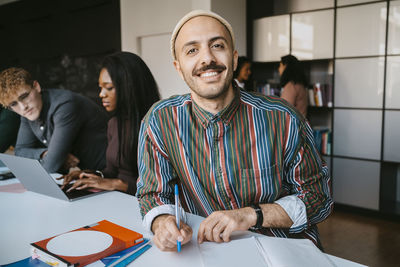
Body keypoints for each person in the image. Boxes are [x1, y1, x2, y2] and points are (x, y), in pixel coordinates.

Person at [136, 10, 332, 252]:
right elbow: (152, 194)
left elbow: (318, 199)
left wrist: (251, 215)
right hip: (213, 253)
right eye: (192, 50)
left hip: (285, 250)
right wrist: (162, 222)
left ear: (235, 58)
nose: (207, 58)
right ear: (178, 67)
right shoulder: (160, 121)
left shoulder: (283, 118)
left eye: (217, 45)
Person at [60, 52, 160, 195]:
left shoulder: (157, 124)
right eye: (101, 87)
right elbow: (112, 171)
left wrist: (118, 184)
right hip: (117, 198)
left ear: (129, 86)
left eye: (109, 87)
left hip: (143, 203)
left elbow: (161, 184)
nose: (101, 94)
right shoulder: (114, 123)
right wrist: (91, 175)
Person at [0, 67, 108, 173]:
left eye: (24, 96)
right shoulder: (28, 113)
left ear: (36, 86)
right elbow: (20, 152)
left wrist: (54, 158)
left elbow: (51, 166)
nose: (23, 107)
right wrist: (44, 154)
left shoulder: (64, 105)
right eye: (14, 104)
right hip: (91, 175)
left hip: (113, 175)